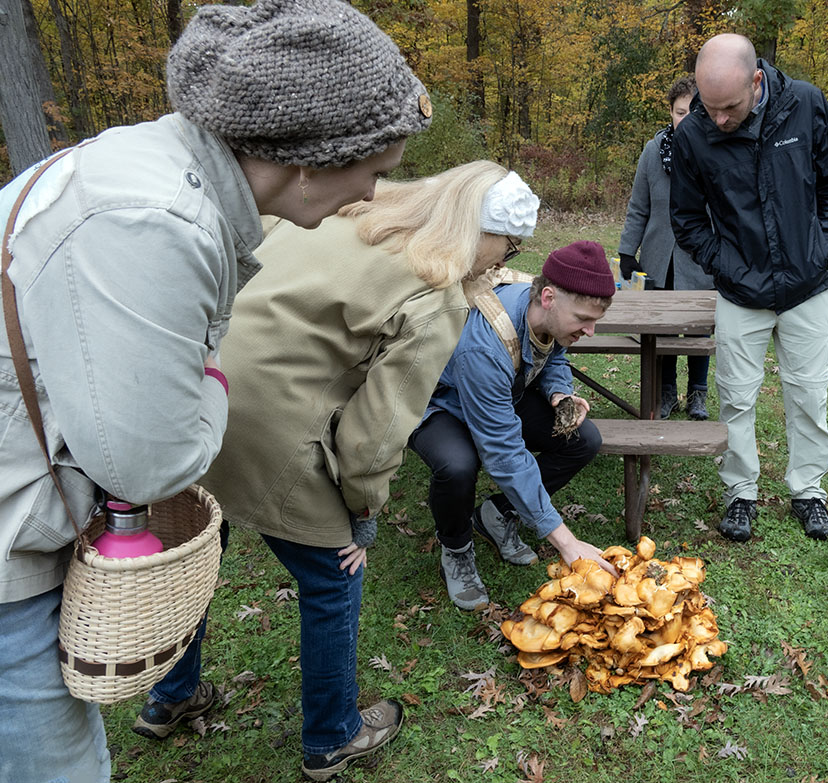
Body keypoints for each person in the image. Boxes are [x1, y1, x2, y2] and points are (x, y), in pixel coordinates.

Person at [0, 1, 432, 780]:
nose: (370, 194)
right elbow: (153, 467)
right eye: (373, 170)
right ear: (309, 158)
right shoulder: (157, 222)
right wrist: (214, 382)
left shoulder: (150, 169)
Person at [138, 162, 540, 780]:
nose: (504, 260)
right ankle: (331, 736)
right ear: (479, 233)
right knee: (333, 581)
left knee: (195, 558)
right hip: (274, 430)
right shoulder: (436, 294)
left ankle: (170, 696)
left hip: (200, 397)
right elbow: (375, 434)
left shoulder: (340, 216)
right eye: (510, 246)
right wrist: (362, 509)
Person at [669, 33, 828, 543]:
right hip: (740, 291)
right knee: (736, 399)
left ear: (757, 81)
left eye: (728, 107)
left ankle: (809, 490)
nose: (719, 120)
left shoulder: (806, 104)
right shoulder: (693, 135)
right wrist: (726, 267)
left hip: (808, 286)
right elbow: (686, 220)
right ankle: (740, 492)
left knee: (809, 395)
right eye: (709, 108)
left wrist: (820, 249)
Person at [409, 240, 619, 611]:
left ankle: (497, 513)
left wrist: (558, 394)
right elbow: (503, 453)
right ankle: (456, 549)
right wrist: (567, 544)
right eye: (583, 320)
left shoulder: (543, 311)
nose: (590, 331)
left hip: (499, 395)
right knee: (458, 464)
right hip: (441, 403)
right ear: (550, 297)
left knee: (582, 439)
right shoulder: (486, 346)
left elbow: (552, 352)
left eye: (594, 321)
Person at [618, 75, 715, 421]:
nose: (685, 118)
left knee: (700, 326)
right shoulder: (652, 151)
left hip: (701, 260)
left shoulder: (717, 152)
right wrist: (628, 252)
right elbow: (638, 207)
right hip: (659, 257)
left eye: (693, 111)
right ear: (670, 113)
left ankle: (699, 394)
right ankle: (667, 391)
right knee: (662, 328)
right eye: (679, 112)